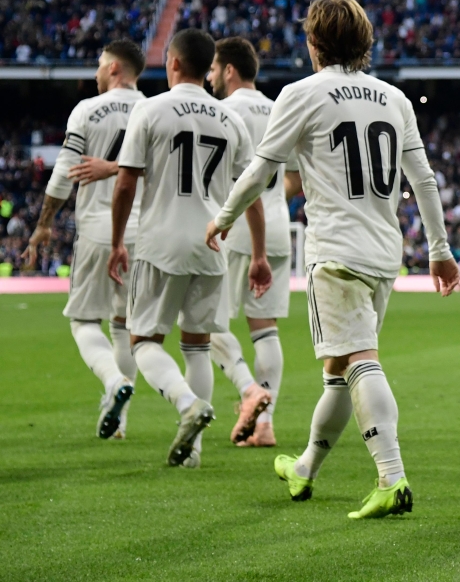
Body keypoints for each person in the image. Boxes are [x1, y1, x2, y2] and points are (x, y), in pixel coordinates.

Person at [207, 0, 460, 519]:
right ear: (365, 41)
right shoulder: (394, 98)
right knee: (339, 367)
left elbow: (260, 173)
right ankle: (305, 469)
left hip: (336, 249)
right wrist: (440, 250)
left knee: (360, 360)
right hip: (384, 250)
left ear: (315, 42)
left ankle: (391, 477)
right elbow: (425, 180)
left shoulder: (300, 93)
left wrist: (224, 218)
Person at [109, 28, 270, 468]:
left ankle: (186, 405)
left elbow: (125, 183)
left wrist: (117, 240)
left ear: (174, 63)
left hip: (160, 242)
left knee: (143, 341)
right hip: (211, 246)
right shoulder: (230, 120)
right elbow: (250, 191)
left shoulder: (151, 110)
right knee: (197, 346)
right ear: (207, 68)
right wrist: (257, 254)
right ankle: (191, 454)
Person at [21, 39, 146, 440]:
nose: (94, 72)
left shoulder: (88, 110)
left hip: (97, 227)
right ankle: (119, 424)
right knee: (124, 326)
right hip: (143, 232)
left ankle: (113, 382)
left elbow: (64, 174)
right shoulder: (154, 109)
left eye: (98, 64)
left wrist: (44, 223)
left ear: (113, 68)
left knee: (82, 319)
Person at [205, 37, 285, 447]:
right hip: (278, 226)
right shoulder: (280, 109)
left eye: (214, 70)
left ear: (230, 70)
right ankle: (266, 425)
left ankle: (248, 390)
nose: (211, 77)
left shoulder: (220, 112)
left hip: (234, 227)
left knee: (205, 323)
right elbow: (297, 176)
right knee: (265, 329)